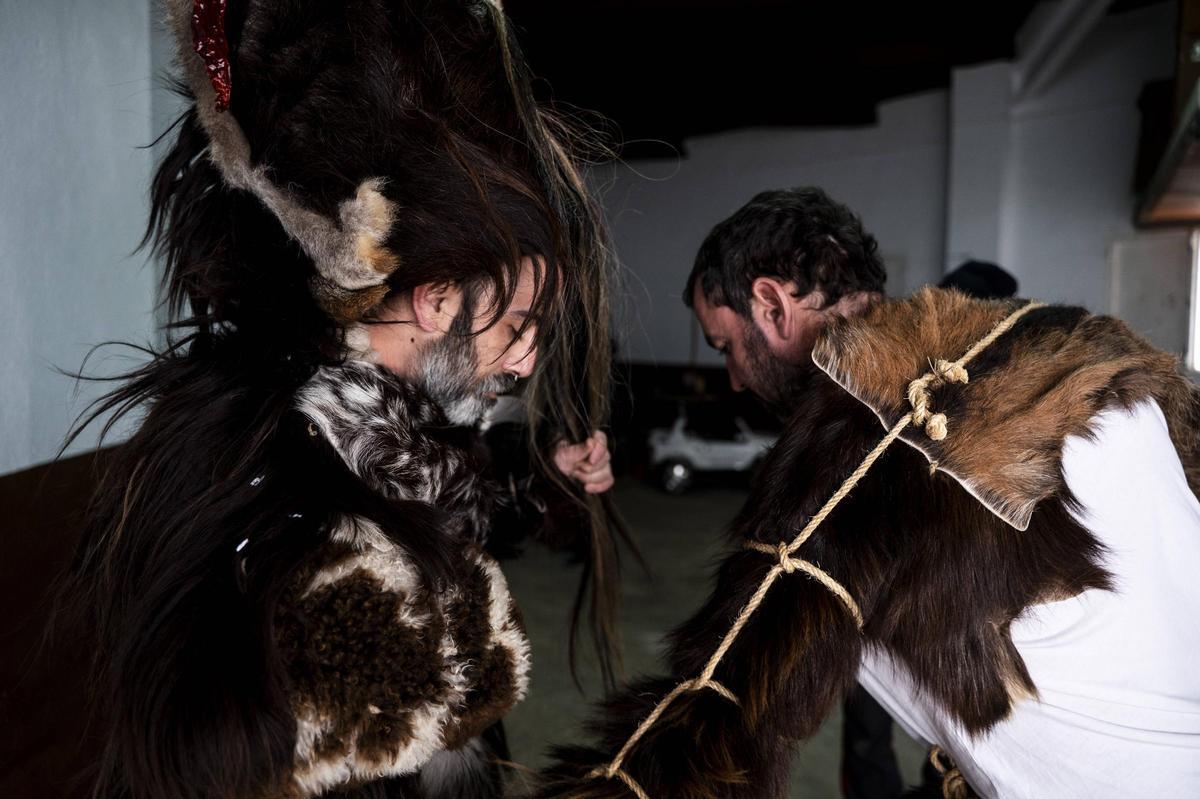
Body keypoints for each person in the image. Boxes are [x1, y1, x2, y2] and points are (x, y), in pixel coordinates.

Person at [66, 1, 622, 797]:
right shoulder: (277, 466)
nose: (529, 355)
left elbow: (446, 494)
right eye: (521, 320)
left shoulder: (388, 423)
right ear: (435, 302)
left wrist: (548, 483)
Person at [538, 187, 1200, 798]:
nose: (734, 378)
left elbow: (720, 708)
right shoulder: (1069, 347)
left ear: (770, 304)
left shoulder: (857, 443)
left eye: (726, 345)